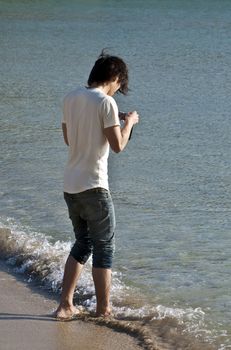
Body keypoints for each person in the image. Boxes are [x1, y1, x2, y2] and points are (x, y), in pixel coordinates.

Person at [54, 52, 139, 319]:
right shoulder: (106, 103)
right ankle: (104, 309)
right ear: (115, 78)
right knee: (104, 247)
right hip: (95, 186)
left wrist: (110, 120)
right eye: (118, 86)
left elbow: (70, 139)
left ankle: (65, 305)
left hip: (71, 185)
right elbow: (118, 146)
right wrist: (129, 123)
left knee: (82, 243)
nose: (117, 91)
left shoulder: (70, 97)